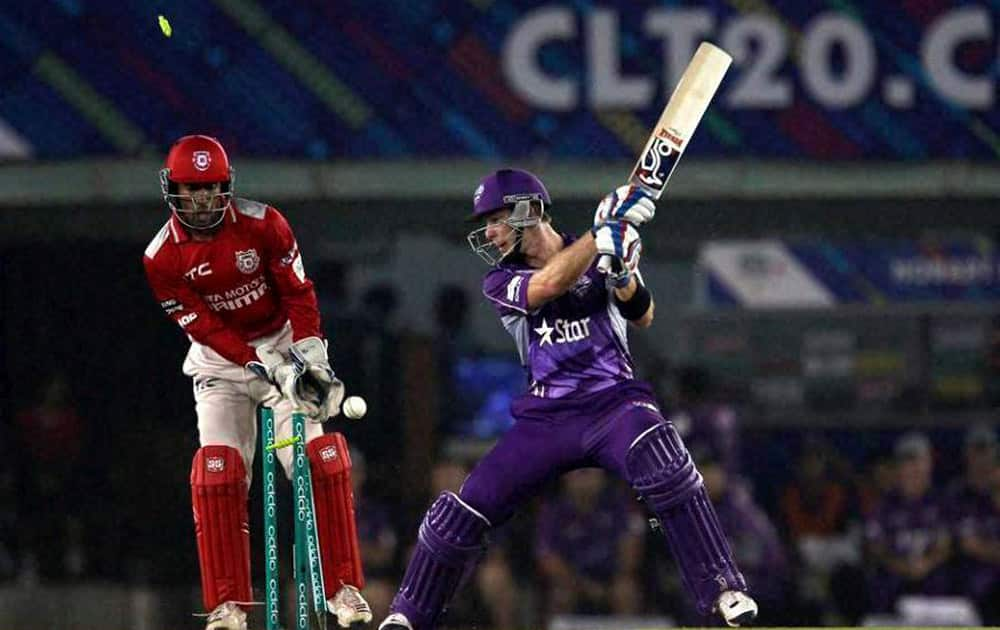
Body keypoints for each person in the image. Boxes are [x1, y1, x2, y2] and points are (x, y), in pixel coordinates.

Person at [378, 168, 757, 630]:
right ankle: (407, 616)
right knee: (460, 511)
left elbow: (643, 315)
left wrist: (622, 274)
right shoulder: (501, 282)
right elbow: (549, 286)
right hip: (547, 418)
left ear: (529, 210)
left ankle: (723, 588)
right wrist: (603, 236)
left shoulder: (598, 250)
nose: (490, 234)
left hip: (612, 402)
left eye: (496, 219)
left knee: (668, 466)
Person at [142, 135, 370, 630]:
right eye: (191, 189)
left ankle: (343, 589)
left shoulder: (265, 225)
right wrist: (252, 362)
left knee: (318, 460)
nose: (201, 201)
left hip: (284, 345)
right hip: (220, 363)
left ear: (226, 187)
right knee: (219, 470)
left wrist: (311, 360)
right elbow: (203, 326)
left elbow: (299, 293)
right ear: (172, 189)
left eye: (211, 189)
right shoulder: (161, 258)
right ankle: (227, 604)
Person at [863, 432, 951, 614]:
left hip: (933, 578)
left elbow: (946, 544)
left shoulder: (942, 502)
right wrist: (902, 566)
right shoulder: (883, 505)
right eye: (907, 462)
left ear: (929, 464)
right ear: (898, 467)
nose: (913, 468)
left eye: (918, 461)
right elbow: (875, 548)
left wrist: (926, 564)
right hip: (893, 580)